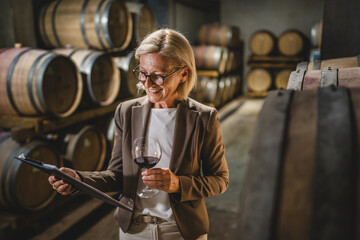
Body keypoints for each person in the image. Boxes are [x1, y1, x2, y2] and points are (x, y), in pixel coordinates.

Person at [49, 28, 229, 240]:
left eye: (158, 76)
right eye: (143, 73)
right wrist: (79, 179)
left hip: (181, 231)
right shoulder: (126, 111)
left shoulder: (203, 117)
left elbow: (220, 180)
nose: (148, 84)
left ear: (183, 74)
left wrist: (179, 184)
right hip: (134, 230)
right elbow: (117, 176)